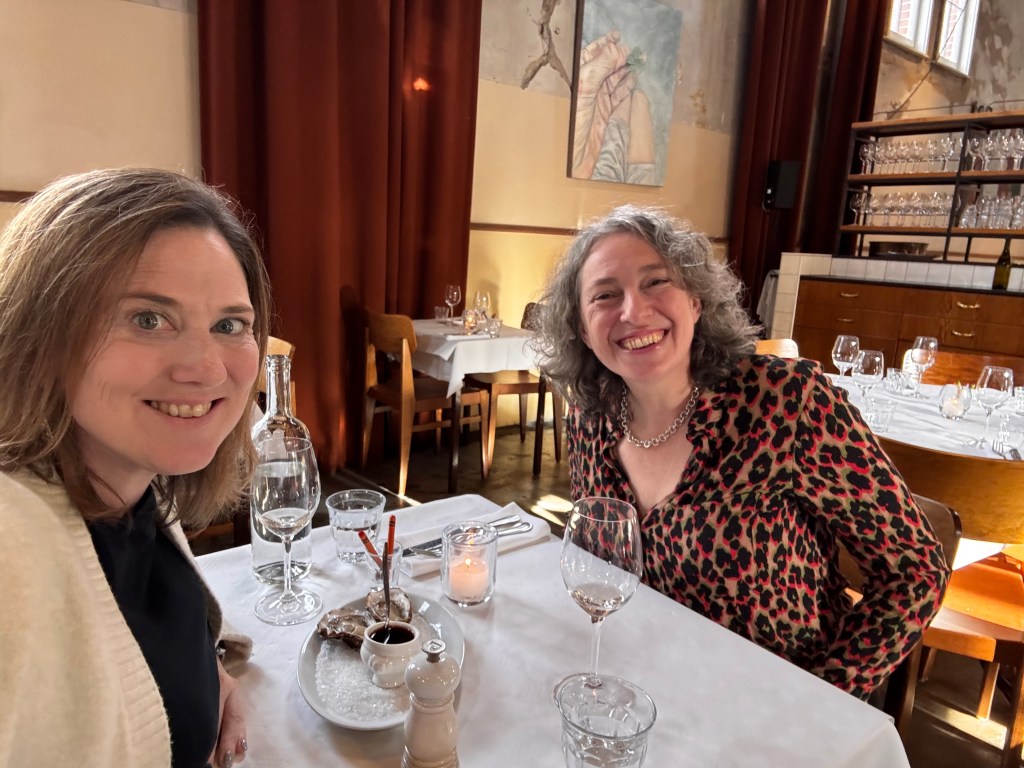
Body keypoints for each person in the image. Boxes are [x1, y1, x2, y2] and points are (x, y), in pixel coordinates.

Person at [534, 204, 949, 700]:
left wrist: (824, 695)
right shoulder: (590, 415)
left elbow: (917, 570)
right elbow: (598, 564)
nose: (632, 311)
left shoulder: (786, 403)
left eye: (656, 282)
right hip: (640, 689)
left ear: (695, 301)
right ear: (583, 328)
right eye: (605, 295)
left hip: (766, 701)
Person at [0, 168, 272, 766]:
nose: (204, 368)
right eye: (147, 319)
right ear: (39, 331)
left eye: (230, 325)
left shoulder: (135, 490)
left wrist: (204, 674)